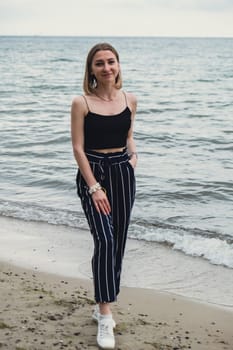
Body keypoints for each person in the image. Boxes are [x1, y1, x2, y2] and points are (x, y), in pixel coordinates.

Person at [71, 42, 137, 349]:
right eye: (100, 63)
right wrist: (94, 187)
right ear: (91, 69)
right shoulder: (81, 102)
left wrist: (133, 160)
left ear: (119, 65)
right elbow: (77, 148)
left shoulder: (130, 99)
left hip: (123, 172)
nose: (107, 67)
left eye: (111, 61)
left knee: (119, 241)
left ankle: (105, 300)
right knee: (105, 240)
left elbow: (129, 136)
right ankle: (105, 315)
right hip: (93, 172)